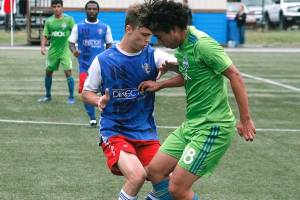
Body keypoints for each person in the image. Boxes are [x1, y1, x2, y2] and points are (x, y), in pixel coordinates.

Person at [139, 1, 256, 199]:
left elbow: (235, 75)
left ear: (174, 29)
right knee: (154, 171)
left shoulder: (202, 44)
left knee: (178, 189)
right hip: (192, 124)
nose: (159, 42)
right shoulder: (182, 45)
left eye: (159, 36)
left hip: (213, 127)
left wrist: (245, 119)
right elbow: (191, 74)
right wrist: (160, 84)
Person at [82, 4, 176, 200]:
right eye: (143, 34)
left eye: (150, 35)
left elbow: (182, 67)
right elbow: (86, 93)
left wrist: (171, 72)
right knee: (137, 176)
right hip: (115, 131)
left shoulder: (153, 55)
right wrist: (99, 100)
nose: (147, 40)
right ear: (128, 29)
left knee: (169, 184)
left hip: (145, 132)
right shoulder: (103, 60)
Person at [69, 0, 113, 127]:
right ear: (86, 10)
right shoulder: (78, 27)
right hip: (84, 66)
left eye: (94, 9)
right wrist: (74, 51)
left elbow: (110, 44)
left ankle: (108, 116)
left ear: (98, 11)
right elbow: (71, 42)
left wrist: (108, 56)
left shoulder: (105, 27)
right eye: (89, 9)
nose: (92, 11)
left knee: (107, 92)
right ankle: (92, 118)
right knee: (85, 92)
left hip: (101, 66)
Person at [38, 0, 76, 104]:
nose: (56, 9)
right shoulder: (49, 21)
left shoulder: (69, 20)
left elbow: (76, 32)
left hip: (65, 51)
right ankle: (48, 95)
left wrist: (76, 46)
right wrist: (42, 47)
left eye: (58, 6)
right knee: (48, 72)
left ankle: (71, 96)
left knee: (68, 72)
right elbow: (45, 35)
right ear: (52, 8)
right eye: (54, 7)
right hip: (53, 51)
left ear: (62, 7)